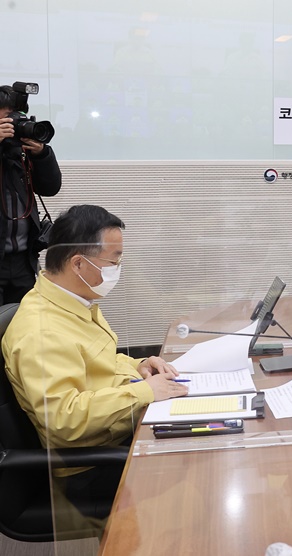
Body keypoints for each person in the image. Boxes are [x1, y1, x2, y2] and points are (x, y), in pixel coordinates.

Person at [2, 205, 188, 519]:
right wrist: (144, 392)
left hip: (113, 437)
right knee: (198, 466)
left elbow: (95, 360)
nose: (118, 267)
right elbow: (63, 419)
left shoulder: (72, 301)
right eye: (114, 260)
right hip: (89, 467)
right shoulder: (41, 330)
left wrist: (138, 366)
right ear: (78, 263)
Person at [0, 84, 62, 304]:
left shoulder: (19, 153)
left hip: (23, 261)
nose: (17, 122)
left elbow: (50, 188)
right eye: (9, 117)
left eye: (19, 116)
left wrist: (42, 154)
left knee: (22, 324)